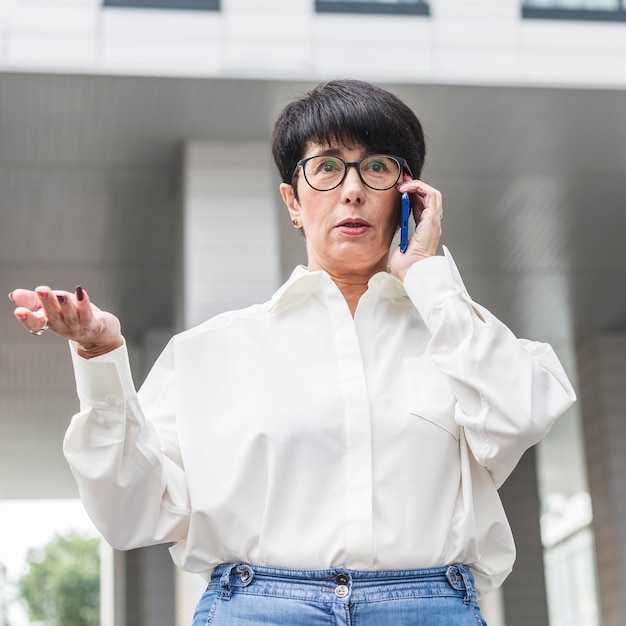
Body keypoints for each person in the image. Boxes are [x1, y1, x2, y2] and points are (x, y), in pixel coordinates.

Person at [9, 80, 576, 625]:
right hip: (258, 609)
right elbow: (130, 511)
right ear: (293, 201)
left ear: (411, 198)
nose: (352, 189)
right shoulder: (212, 351)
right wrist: (101, 359)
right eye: (327, 167)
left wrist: (429, 277)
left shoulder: (459, 335)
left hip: (429, 607)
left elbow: (518, 415)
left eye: (377, 167)